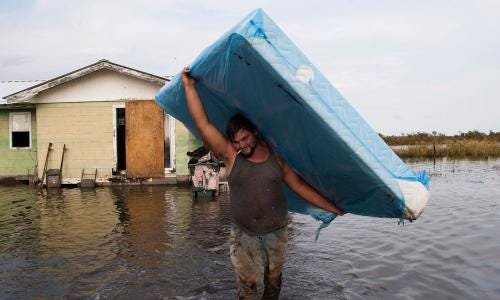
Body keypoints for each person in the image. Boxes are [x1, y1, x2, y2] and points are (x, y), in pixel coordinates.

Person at [181, 66, 344, 299]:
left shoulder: (277, 158)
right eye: (236, 141)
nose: (241, 145)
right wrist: (189, 86)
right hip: (243, 234)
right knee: (249, 286)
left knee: (274, 282)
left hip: (276, 232)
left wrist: (332, 208)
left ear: (255, 133)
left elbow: (299, 186)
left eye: (245, 138)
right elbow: (203, 125)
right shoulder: (231, 155)